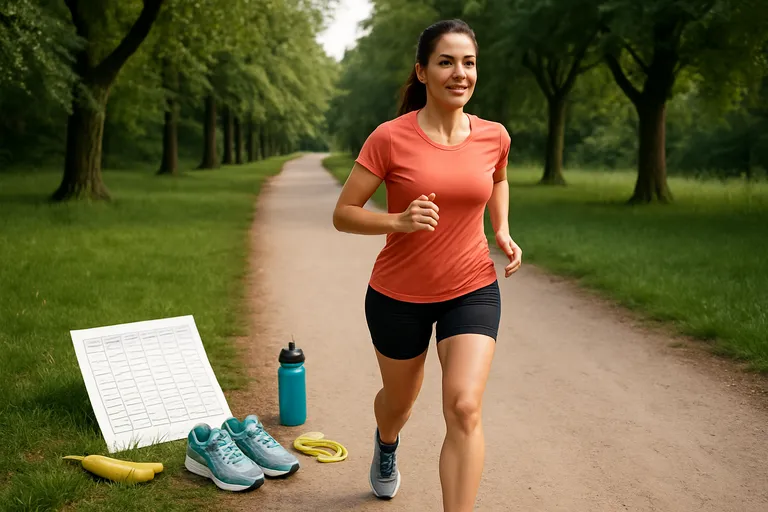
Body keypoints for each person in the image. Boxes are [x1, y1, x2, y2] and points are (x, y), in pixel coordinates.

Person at [332, 18, 522, 512]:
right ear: (422, 72)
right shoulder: (389, 138)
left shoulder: (493, 135)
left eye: (469, 62)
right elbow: (343, 214)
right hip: (398, 296)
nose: (460, 73)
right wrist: (397, 220)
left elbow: (497, 179)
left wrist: (500, 229)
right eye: (446, 62)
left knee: (463, 406)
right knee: (399, 406)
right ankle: (387, 443)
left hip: (471, 287)